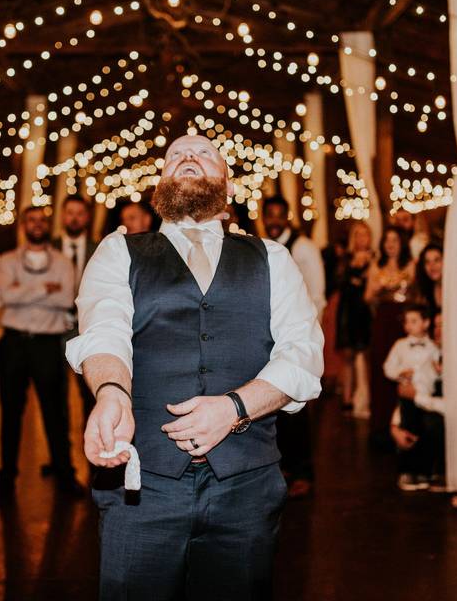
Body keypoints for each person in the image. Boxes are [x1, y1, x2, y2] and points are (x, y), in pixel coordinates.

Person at [66, 133, 324, 598]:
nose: (188, 155)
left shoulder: (273, 258)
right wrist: (110, 393)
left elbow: (302, 355)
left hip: (246, 488)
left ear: (226, 184)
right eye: (175, 155)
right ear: (159, 184)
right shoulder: (119, 251)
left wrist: (234, 408)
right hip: (142, 485)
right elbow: (105, 332)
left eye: (204, 153)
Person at [0, 207, 81, 503]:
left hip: (47, 344)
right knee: (11, 414)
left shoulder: (64, 262)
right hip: (13, 343)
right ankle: (5, 479)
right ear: (23, 226)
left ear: (47, 225)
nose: (37, 225)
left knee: (55, 413)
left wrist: (24, 289)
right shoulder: (6, 260)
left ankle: (66, 475)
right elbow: (6, 296)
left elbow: (67, 298)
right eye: (32, 220)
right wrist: (45, 287)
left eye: (42, 221)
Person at [261, 195, 326, 499]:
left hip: (297, 337)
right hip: (270, 339)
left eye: (278, 216)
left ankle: (304, 470)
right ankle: (284, 465)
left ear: (287, 217)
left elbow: (317, 296)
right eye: (268, 216)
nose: (273, 221)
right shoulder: (262, 246)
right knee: (275, 404)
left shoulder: (304, 248)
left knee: (297, 406)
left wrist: (307, 339)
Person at [53, 194, 99, 452]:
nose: (74, 218)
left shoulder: (100, 249)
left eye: (79, 213)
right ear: (62, 215)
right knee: (56, 400)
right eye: (69, 212)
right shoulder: (48, 248)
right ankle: (62, 460)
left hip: (88, 334)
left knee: (90, 398)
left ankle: (92, 457)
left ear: (87, 217)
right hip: (54, 334)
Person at [364, 226, 414, 451]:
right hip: (383, 322)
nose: (390, 244)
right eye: (387, 240)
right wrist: (377, 289)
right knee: (381, 372)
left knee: (405, 372)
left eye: (394, 240)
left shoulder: (411, 266)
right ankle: (381, 428)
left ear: (401, 243)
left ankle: (405, 425)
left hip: (404, 323)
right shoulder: (377, 267)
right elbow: (367, 298)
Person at [384, 305, 442, 491]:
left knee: (426, 431)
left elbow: (438, 373)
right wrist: (400, 373)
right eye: (407, 322)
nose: (409, 325)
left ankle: (424, 471)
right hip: (407, 396)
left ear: (426, 323)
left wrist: (438, 373)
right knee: (409, 430)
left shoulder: (433, 347)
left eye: (414, 321)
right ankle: (407, 471)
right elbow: (388, 367)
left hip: (426, 395)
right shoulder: (400, 346)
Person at [335, 221, 373, 417]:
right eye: (358, 235)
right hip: (348, 310)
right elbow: (339, 281)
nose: (361, 239)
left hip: (365, 311)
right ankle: (347, 399)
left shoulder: (375, 259)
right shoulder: (346, 259)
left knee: (366, 355)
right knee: (348, 356)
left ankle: (366, 396)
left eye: (365, 235)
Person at [415, 243, 444, 314]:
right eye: (427, 262)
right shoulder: (425, 290)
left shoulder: (456, 289)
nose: (432, 266)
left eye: (436, 260)